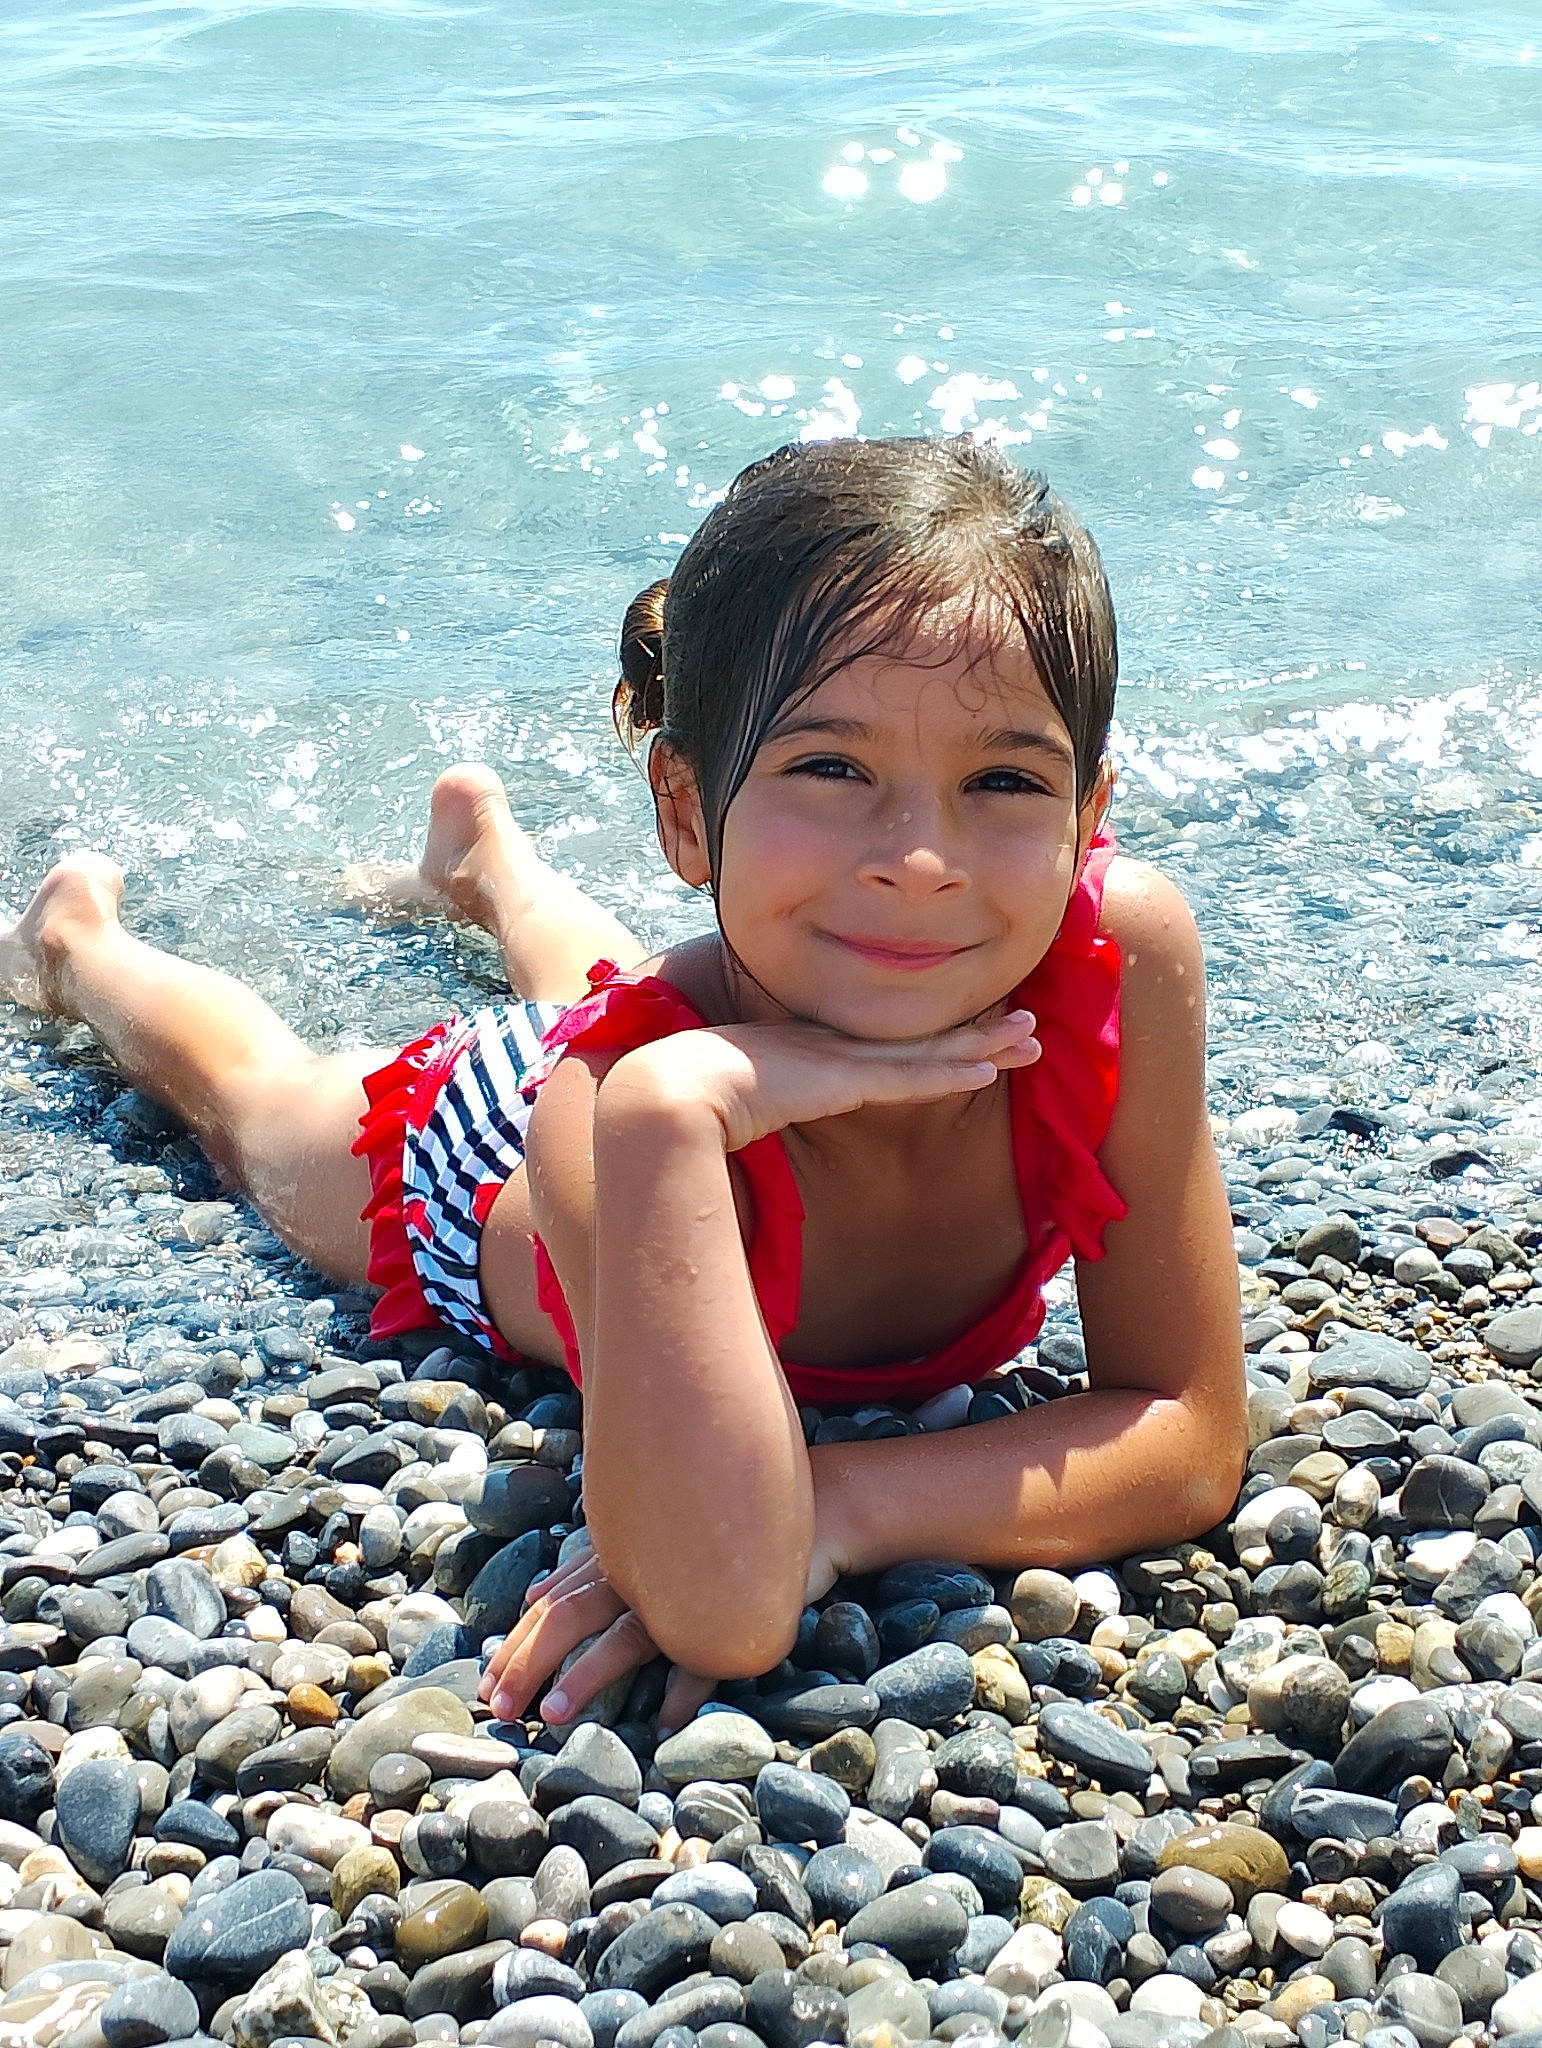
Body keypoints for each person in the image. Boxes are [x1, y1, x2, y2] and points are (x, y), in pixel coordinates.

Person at [0, 436, 1246, 1738]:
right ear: (686, 812)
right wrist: (671, 1111)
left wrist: (836, 1502)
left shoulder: (1118, 957)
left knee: (646, 981)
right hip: (478, 1150)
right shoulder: (619, 1109)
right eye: (830, 768)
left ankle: (485, 867)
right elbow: (727, 1607)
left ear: (1087, 809)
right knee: (256, 1101)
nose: (920, 861)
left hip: (686, 1025)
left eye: (1004, 780)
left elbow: (1191, 1430)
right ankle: (76, 945)